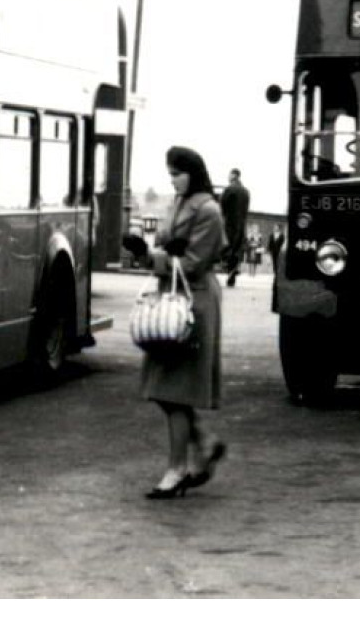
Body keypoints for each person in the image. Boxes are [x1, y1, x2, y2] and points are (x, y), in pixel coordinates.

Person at [134, 145, 228, 499]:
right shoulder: (183, 203)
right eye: (170, 174)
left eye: (177, 173)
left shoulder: (208, 210)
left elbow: (192, 263)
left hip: (193, 302)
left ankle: (177, 469)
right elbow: (168, 245)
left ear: (193, 172)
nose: (172, 180)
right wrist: (152, 250)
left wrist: (151, 257)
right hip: (176, 300)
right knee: (168, 388)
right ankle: (203, 444)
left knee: (171, 389)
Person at [219, 168, 250, 287]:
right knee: (237, 248)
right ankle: (234, 269)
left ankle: (227, 267)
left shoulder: (229, 189)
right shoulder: (246, 191)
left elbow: (222, 205)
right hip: (241, 224)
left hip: (230, 223)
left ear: (233, 175)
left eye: (229, 175)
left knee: (226, 246)